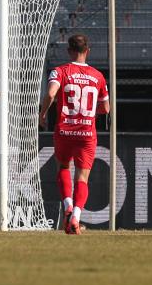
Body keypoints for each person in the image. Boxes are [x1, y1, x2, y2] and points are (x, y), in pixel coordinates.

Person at [38, 34, 110, 235]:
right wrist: (89, 111)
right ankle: (76, 215)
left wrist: (43, 114)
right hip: (86, 131)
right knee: (82, 177)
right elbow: (107, 107)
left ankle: (68, 205)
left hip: (64, 129)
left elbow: (51, 94)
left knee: (63, 166)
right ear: (88, 51)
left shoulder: (60, 71)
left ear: (69, 51)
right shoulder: (98, 76)